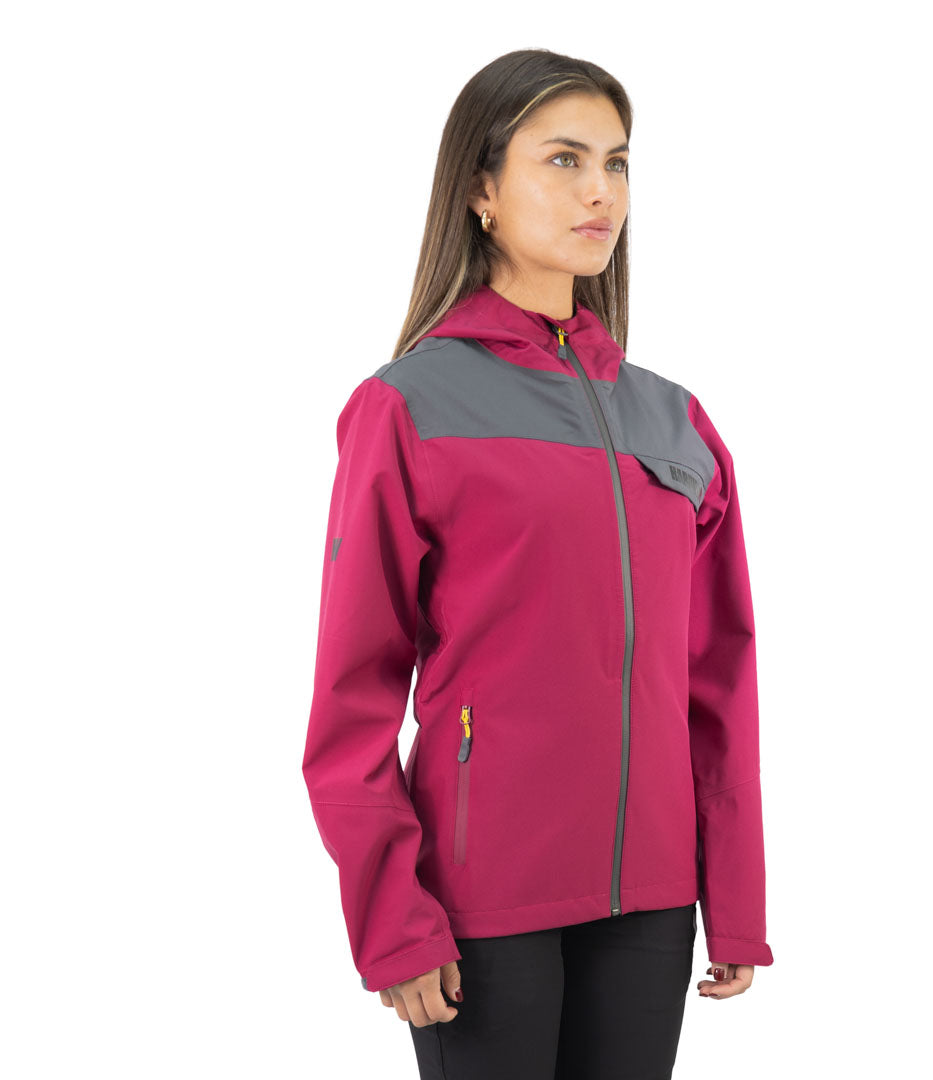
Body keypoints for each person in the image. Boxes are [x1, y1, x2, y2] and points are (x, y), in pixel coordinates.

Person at [301, 48, 774, 1080]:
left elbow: (717, 679)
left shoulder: (674, 420)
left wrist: (733, 897)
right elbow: (352, 694)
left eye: (617, 162)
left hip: (653, 898)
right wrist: (392, 918)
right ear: (481, 188)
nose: (600, 191)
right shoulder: (408, 406)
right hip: (482, 897)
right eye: (564, 159)